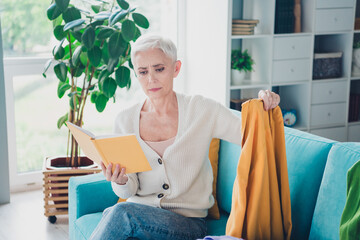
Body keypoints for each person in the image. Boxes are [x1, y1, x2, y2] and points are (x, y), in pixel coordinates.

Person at [90, 34, 280, 240]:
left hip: (187, 223)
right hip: (141, 214)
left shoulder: (202, 109)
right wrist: (121, 180)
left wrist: (266, 105)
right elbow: (128, 192)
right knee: (115, 214)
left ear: (176, 68)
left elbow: (251, 132)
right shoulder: (125, 120)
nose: (151, 79)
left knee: (120, 214)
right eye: (143, 72)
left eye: (159, 69)